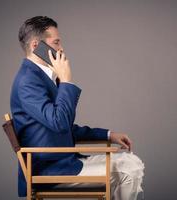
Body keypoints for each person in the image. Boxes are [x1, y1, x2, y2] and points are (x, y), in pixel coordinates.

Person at [10, 16, 144, 199]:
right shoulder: (28, 81)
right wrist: (65, 81)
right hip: (51, 170)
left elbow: (61, 128)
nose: (61, 48)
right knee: (129, 170)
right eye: (56, 42)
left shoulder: (39, 77)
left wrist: (108, 135)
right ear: (35, 46)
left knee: (131, 161)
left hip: (63, 161)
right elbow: (60, 122)